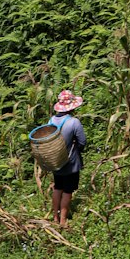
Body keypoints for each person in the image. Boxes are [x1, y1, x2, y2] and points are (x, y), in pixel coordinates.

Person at [46, 89, 86, 226]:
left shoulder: (51, 120)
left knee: (58, 187)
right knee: (68, 190)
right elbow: (82, 142)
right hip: (71, 163)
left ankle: (55, 218)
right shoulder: (74, 122)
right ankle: (63, 220)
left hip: (56, 161)